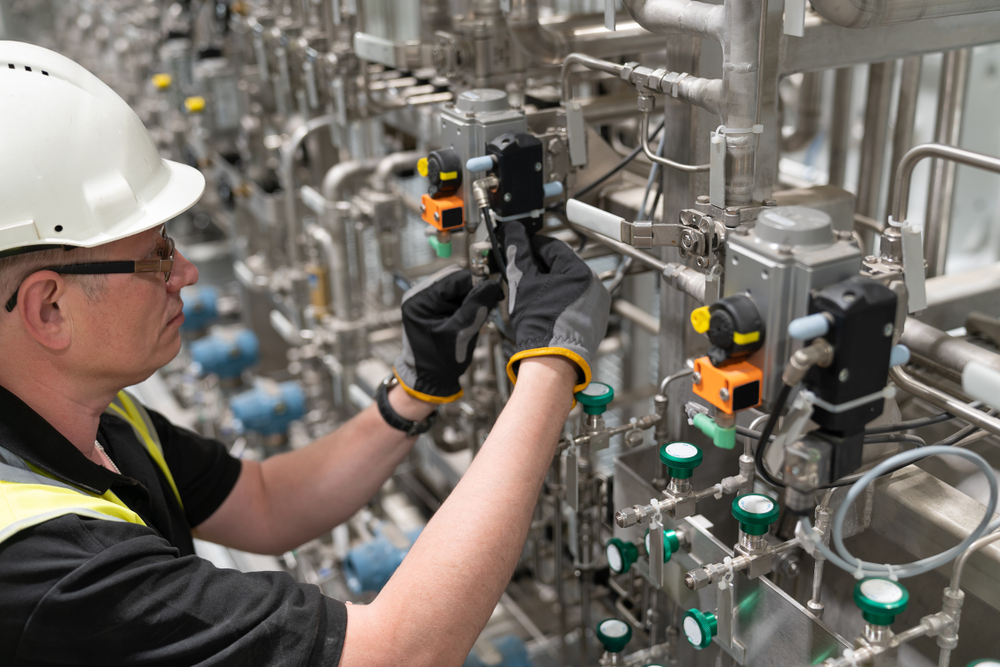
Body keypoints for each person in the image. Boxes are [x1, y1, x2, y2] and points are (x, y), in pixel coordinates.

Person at [0, 40, 610, 666]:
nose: (185, 272)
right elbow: (398, 655)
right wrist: (551, 365)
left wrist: (414, 391)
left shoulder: (82, 412)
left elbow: (262, 504)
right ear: (49, 309)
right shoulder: (46, 567)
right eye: (157, 255)